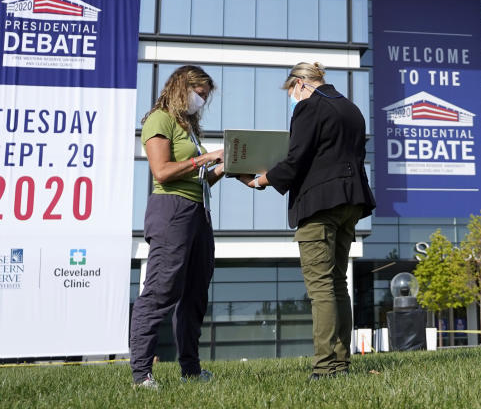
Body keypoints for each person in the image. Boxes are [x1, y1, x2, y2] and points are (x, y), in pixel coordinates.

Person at [246, 62, 375, 380]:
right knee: (337, 285)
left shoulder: (308, 107)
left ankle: (324, 367)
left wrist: (262, 180)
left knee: (320, 287)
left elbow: (296, 159)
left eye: (291, 91)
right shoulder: (351, 108)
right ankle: (341, 364)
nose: (292, 97)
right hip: (350, 203)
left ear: (300, 83)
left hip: (319, 205)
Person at [130, 65, 228, 390]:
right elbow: (162, 171)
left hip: (198, 211)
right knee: (161, 290)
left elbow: (200, 180)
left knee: (195, 293)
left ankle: (191, 370)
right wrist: (205, 158)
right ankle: (142, 374)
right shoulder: (159, 120)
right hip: (171, 210)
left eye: (205, 96)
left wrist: (225, 166)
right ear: (181, 87)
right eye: (198, 93)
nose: (201, 100)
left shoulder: (189, 130)